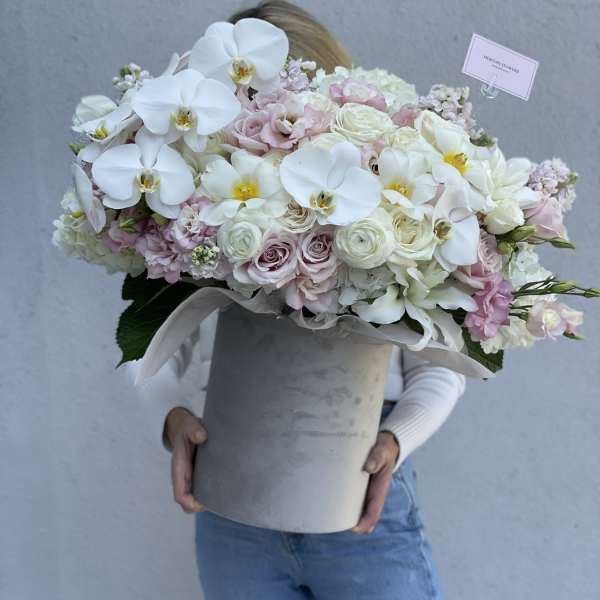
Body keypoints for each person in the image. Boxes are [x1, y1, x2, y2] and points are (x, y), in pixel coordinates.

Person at [128, 2, 466, 598]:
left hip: (360, 498)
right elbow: (145, 345)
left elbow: (441, 364)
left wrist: (397, 440)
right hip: (230, 501)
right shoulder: (198, 214)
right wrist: (172, 418)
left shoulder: (385, 208)